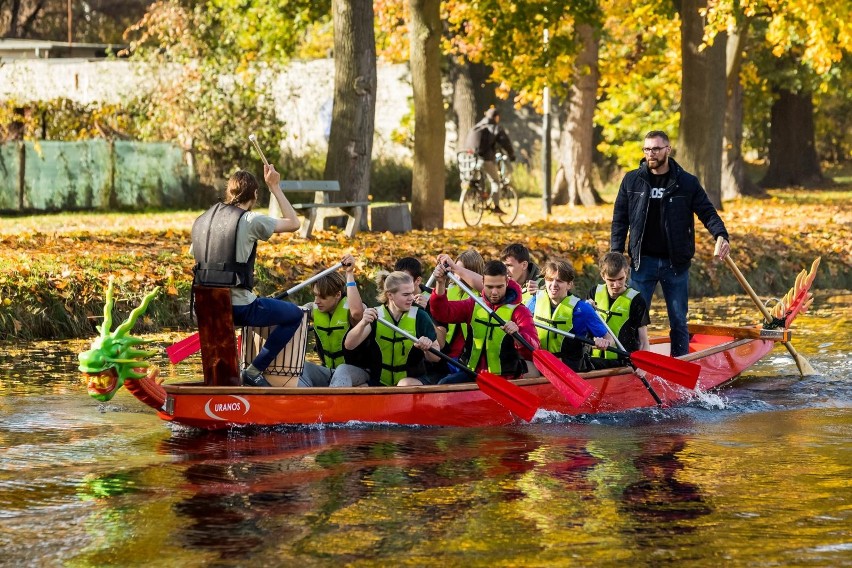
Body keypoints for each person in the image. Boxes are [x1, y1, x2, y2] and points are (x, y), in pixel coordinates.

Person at [611, 130, 731, 357]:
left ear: (668, 149)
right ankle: (630, 364)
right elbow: (620, 219)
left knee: (678, 320)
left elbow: (707, 212)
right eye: (647, 149)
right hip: (641, 262)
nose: (651, 154)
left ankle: (681, 364)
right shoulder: (632, 180)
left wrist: (720, 235)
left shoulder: (686, 182)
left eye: (656, 149)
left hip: (675, 264)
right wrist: (616, 254)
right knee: (633, 319)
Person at [191, 166, 303, 387]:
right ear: (254, 195)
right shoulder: (251, 220)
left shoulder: (203, 220)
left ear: (228, 193)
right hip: (239, 309)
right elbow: (294, 223)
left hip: (205, 309)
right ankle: (253, 370)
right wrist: (275, 186)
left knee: (236, 314)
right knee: (294, 315)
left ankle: (219, 381)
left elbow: (195, 258)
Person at [430, 260, 539, 384]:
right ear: (482, 282)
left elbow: (534, 348)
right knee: (444, 384)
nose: (494, 292)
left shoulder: (520, 311)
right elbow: (441, 313)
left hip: (506, 379)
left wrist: (519, 336)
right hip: (471, 374)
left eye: (499, 287)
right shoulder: (473, 304)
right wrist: (440, 283)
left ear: (507, 283)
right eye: (489, 287)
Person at [343, 271, 440, 387]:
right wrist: (363, 323)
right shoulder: (376, 315)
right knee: (360, 388)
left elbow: (436, 358)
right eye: (405, 295)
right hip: (379, 382)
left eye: (411, 293)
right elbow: (349, 345)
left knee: (404, 384)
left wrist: (427, 349)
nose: (411, 298)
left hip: (412, 381)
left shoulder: (420, 316)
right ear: (390, 295)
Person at [526, 260, 613, 372]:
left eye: (559, 281)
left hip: (569, 367)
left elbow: (609, 338)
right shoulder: (534, 301)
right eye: (550, 280)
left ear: (569, 284)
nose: (553, 285)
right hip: (541, 363)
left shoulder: (582, 309)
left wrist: (604, 342)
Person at [299, 254, 371, 388]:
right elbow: (290, 312)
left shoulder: (352, 310)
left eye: (322, 297)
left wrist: (349, 273)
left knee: (342, 370)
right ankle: (306, 404)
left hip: (357, 372)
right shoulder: (313, 309)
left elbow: (357, 313)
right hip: (328, 371)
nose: (316, 301)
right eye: (315, 295)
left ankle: (333, 406)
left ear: (337, 295)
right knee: (300, 369)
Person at [587, 252, 650, 369]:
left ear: (626, 273)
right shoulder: (593, 293)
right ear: (603, 276)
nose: (616, 285)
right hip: (595, 359)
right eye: (611, 280)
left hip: (623, 362)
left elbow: (644, 341)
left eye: (621, 279)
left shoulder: (637, 300)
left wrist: (642, 366)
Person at [465, 107, 516, 214]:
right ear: (496, 117)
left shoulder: (477, 126)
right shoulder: (495, 128)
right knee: (495, 181)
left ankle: (478, 195)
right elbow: (505, 142)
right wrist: (511, 155)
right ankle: (496, 207)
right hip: (485, 159)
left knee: (480, 179)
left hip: (471, 159)